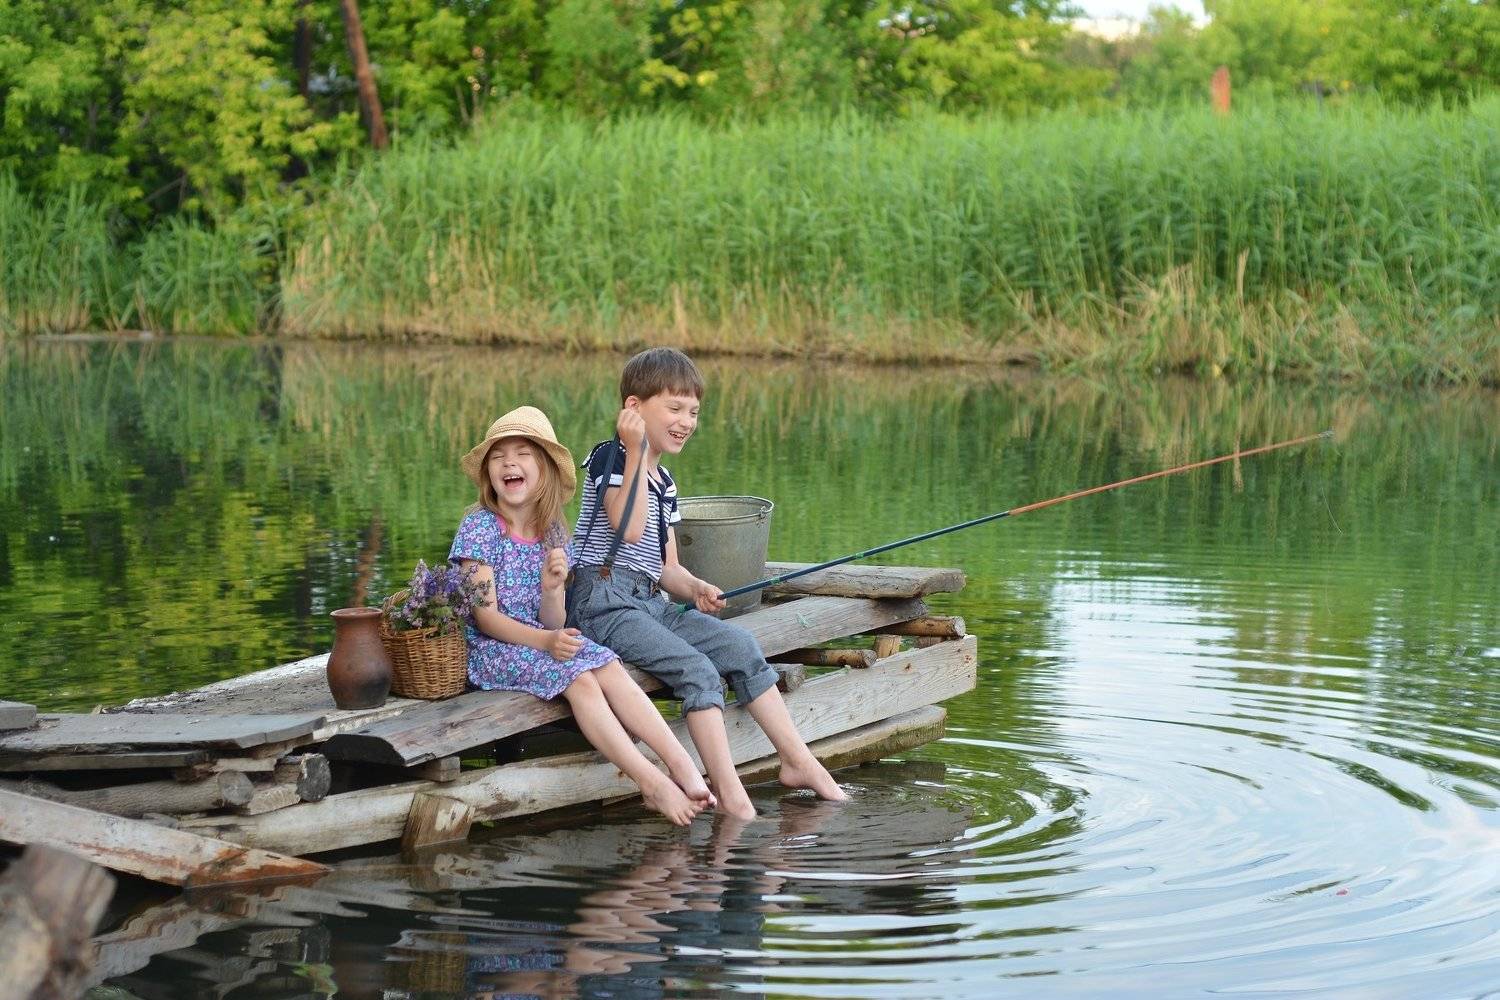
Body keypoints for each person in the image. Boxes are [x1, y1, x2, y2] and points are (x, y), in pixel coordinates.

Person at [567, 349, 847, 819]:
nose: (686, 421)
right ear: (633, 407)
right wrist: (634, 451)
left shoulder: (665, 482)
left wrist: (695, 586)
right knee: (698, 670)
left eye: (693, 411)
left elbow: (665, 567)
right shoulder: (610, 455)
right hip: (601, 601)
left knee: (740, 645)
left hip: (648, 600)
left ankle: (798, 761)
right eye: (674, 408)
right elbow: (628, 529)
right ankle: (730, 793)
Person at [450, 405, 712, 826]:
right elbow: (486, 620)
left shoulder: (553, 531)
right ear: (488, 474)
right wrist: (547, 642)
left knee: (608, 664)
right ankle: (650, 782)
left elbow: (553, 621)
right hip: (492, 649)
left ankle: (682, 765)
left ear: (544, 471)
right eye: (498, 457)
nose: (509, 464)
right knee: (582, 679)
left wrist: (553, 589)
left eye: (522, 454)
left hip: (540, 641)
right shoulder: (480, 529)